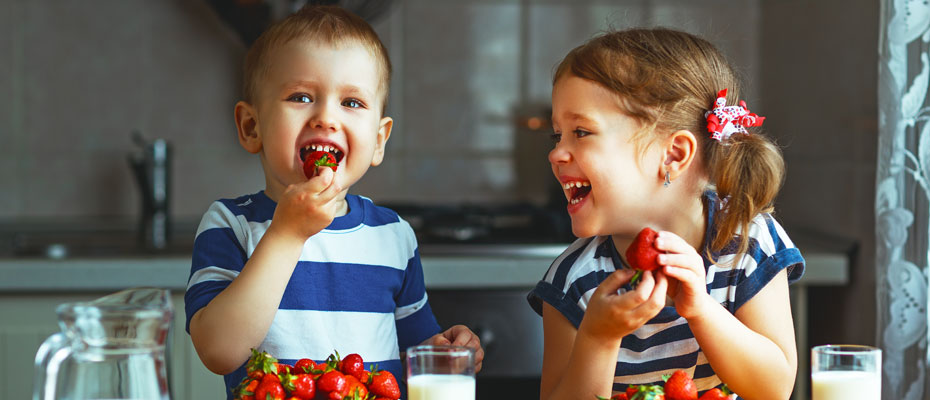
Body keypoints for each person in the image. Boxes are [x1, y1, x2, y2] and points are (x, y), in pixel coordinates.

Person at [184, 5, 483, 398]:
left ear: (378, 140)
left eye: (352, 102)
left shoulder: (393, 236)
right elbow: (218, 351)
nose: (326, 117)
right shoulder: (230, 224)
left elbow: (416, 359)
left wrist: (448, 351)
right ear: (251, 126)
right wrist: (286, 234)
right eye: (301, 96)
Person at [527, 28, 805, 400]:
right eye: (557, 135)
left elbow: (775, 389)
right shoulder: (573, 281)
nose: (557, 153)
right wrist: (598, 336)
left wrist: (701, 310)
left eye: (581, 131)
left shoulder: (747, 243)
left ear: (673, 155)